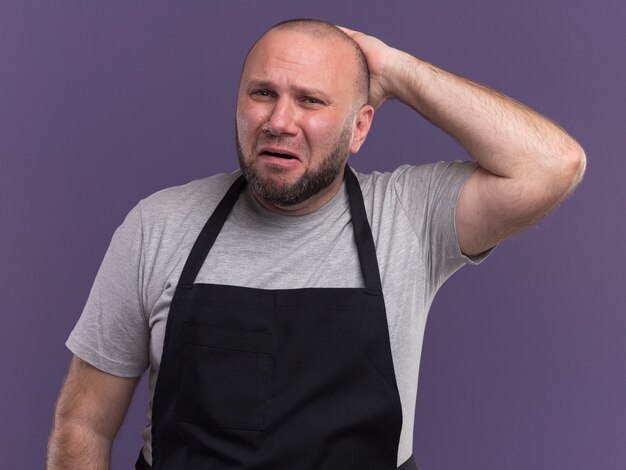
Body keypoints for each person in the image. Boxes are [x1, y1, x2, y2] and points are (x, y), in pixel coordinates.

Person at [47, 18, 585, 470]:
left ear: (359, 128)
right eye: (263, 94)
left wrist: (394, 68)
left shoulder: (408, 217)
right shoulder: (157, 225)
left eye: (311, 100)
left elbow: (552, 164)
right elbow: (84, 423)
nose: (280, 121)